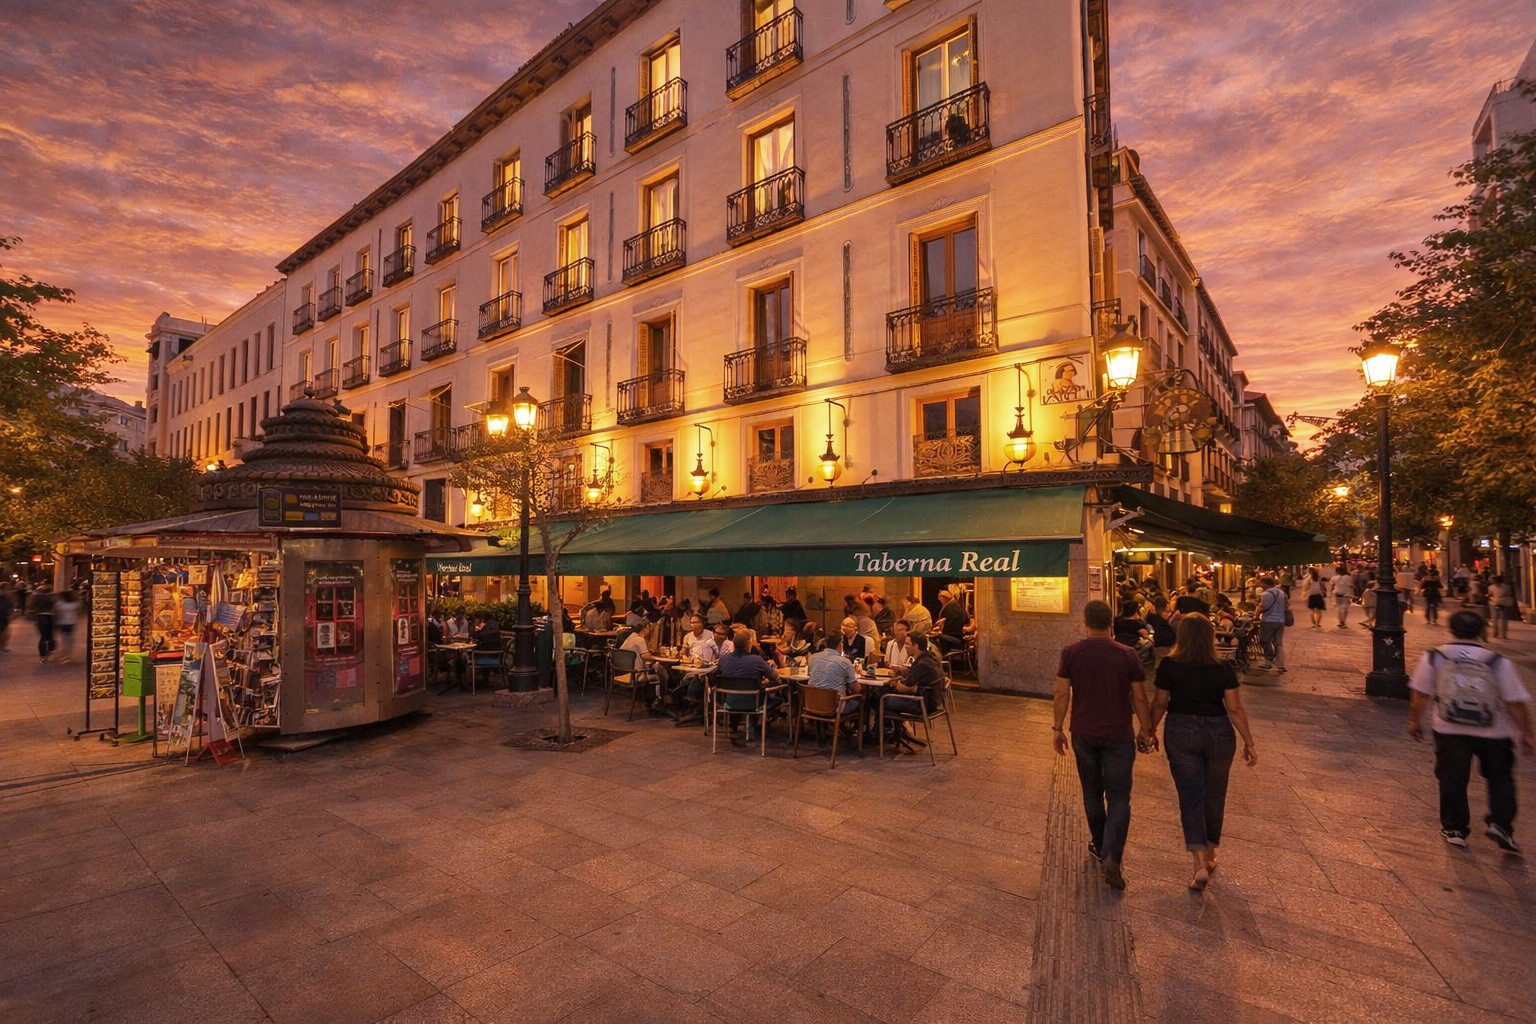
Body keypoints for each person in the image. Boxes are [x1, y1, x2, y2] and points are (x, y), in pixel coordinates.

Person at [1148, 613, 1259, 890]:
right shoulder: (1222, 667)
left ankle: (1199, 862)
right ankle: (1210, 853)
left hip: (1181, 730)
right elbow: (1234, 708)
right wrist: (1249, 741)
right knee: (1215, 793)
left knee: (1190, 795)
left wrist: (1149, 730)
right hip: (1219, 733)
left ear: (1181, 636)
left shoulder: (1169, 665)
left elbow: (1160, 703)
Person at [1408, 610, 1533, 852]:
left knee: (1452, 777)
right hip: (1494, 731)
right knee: (1500, 777)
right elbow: (1515, 702)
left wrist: (1415, 721)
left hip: (1448, 728)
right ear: (1481, 631)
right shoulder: (1497, 661)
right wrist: (1527, 734)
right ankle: (1501, 824)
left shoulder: (1435, 657)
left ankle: (1455, 829)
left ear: (1451, 630)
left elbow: (1420, 695)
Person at [1052, 599, 1155, 890]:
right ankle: (1112, 855)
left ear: (1084, 622)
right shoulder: (1128, 655)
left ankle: (1100, 845)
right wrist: (1146, 730)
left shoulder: (1071, 652)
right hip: (1119, 734)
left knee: (1092, 794)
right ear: (1110, 623)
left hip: (1083, 732)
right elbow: (1139, 697)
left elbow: (1062, 694)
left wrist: (1057, 728)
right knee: (1120, 798)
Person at [718, 627, 783, 745]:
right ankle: (755, 725)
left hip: (730, 703)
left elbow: (716, 677)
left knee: (738, 692)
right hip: (754, 704)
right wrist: (767, 681)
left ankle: (734, 726)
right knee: (775, 698)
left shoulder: (723, 660)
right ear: (749, 644)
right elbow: (776, 679)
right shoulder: (757, 660)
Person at [1257, 577, 1287, 673]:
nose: (1260, 585)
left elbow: (1262, 608)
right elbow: (1287, 606)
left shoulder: (1266, 594)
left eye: (1261, 583)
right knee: (1278, 643)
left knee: (1264, 640)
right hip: (1281, 620)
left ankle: (1268, 661)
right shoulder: (1282, 593)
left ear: (1266, 584)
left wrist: (1256, 614)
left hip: (1269, 620)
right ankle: (1280, 665)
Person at [935, 590, 970, 656]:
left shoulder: (952, 608)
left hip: (955, 638)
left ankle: (941, 657)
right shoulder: (954, 606)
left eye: (940, 600)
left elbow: (950, 626)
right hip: (956, 636)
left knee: (936, 638)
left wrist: (939, 631)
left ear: (943, 599)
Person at [28, 585, 55, 664]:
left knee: (43, 636)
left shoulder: (36, 598)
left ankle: (42, 655)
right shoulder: (51, 597)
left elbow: (31, 607)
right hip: (50, 616)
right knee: (50, 635)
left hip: (40, 617)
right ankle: (50, 649)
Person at [52, 588, 82, 663]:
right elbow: (79, 611)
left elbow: (55, 612)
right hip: (72, 622)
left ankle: (65, 654)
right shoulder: (75, 604)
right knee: (69, 639)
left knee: (64, 639)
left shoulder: (60, 604)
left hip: (62, 622)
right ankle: (68, 654)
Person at [1488, 575, 1516, 640]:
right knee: (1498, 619)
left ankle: (1500, 633)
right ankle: (1499, 633)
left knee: (1500, 619)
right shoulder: (1505, 587)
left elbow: (1489, 594)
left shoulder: (1493, 587)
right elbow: (1509, 594)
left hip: (1499, 603)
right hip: (1498, 603)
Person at [0, 583, 17, 654]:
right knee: (4, 632)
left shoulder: (7, 595)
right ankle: (2, 647)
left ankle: (2, 647)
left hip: (4, 615)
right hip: (3, 615)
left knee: (4, 632)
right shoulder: (5, 595)